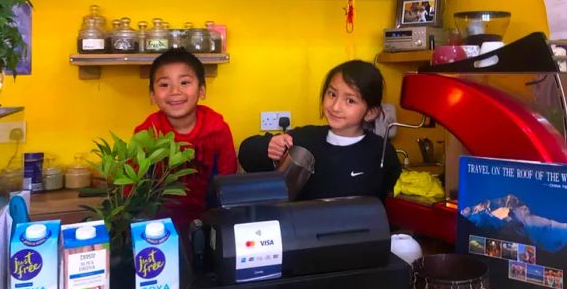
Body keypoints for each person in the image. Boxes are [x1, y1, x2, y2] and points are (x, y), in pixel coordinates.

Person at [238, 60, 401, 201]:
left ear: (371, 112)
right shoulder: (305, 140)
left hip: (358, 235)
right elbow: (246, 153)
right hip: (303, 232)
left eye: (350, 100)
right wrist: (269, 145)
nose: (336, 106)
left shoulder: (382, 152)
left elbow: (387, 204)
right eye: (332, 94)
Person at [134, 48, 237, 227]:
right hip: (159, 227)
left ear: (202, 90)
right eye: (164, 84)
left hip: (210, 223)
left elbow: (228, 183)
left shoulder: (218, 129)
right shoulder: (146, 134)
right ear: (152, 95)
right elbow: (133, 187)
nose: (175, 91)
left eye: (184, 82)